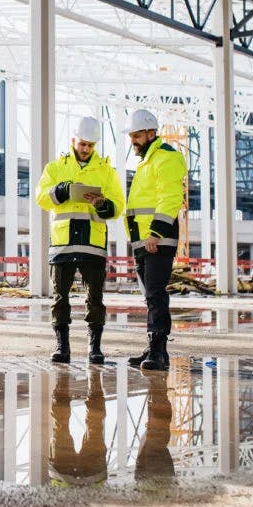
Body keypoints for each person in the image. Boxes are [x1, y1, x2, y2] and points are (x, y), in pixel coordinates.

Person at [35, 116, 125, 364]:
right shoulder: (55, 168)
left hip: (93, 245)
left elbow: (118, 205)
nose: (86, 149)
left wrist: (103, 204)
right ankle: (61, 347)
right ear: (73, 140)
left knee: (95, 299)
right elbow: (41, 197)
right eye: (83, 144)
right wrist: (61, 190)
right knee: (60, 298)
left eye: (91, 145)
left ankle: (94, 348)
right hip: (62, 244)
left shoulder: (106, 171)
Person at [124, 109, 187, 371]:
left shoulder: (166, 158)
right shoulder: (147, 161)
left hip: (156, 239)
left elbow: (170, 197)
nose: (133, 141)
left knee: (156, 295)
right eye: (132, 136)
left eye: (137, 135)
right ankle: (154, 348)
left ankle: (159, 352)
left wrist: (156, 233)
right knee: (150, 296)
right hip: (143, 240)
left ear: (151, 133)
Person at [48, 368, 108, 486]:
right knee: (61, 425)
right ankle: (63, 376)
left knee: (95, 426)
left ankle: (92, 375)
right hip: (64, 475)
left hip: (93, 476)